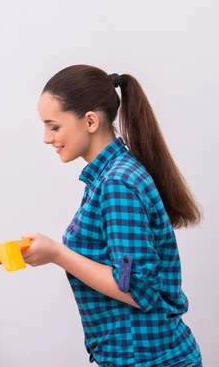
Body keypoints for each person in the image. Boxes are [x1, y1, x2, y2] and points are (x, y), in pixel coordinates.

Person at [21, 65, 203, 366]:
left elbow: (139, 290)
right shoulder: (109, 176)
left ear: (90, 120)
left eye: (54, 127)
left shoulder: (117, 182)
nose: (46, 138)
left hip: (150, 359)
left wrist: (57, 253)